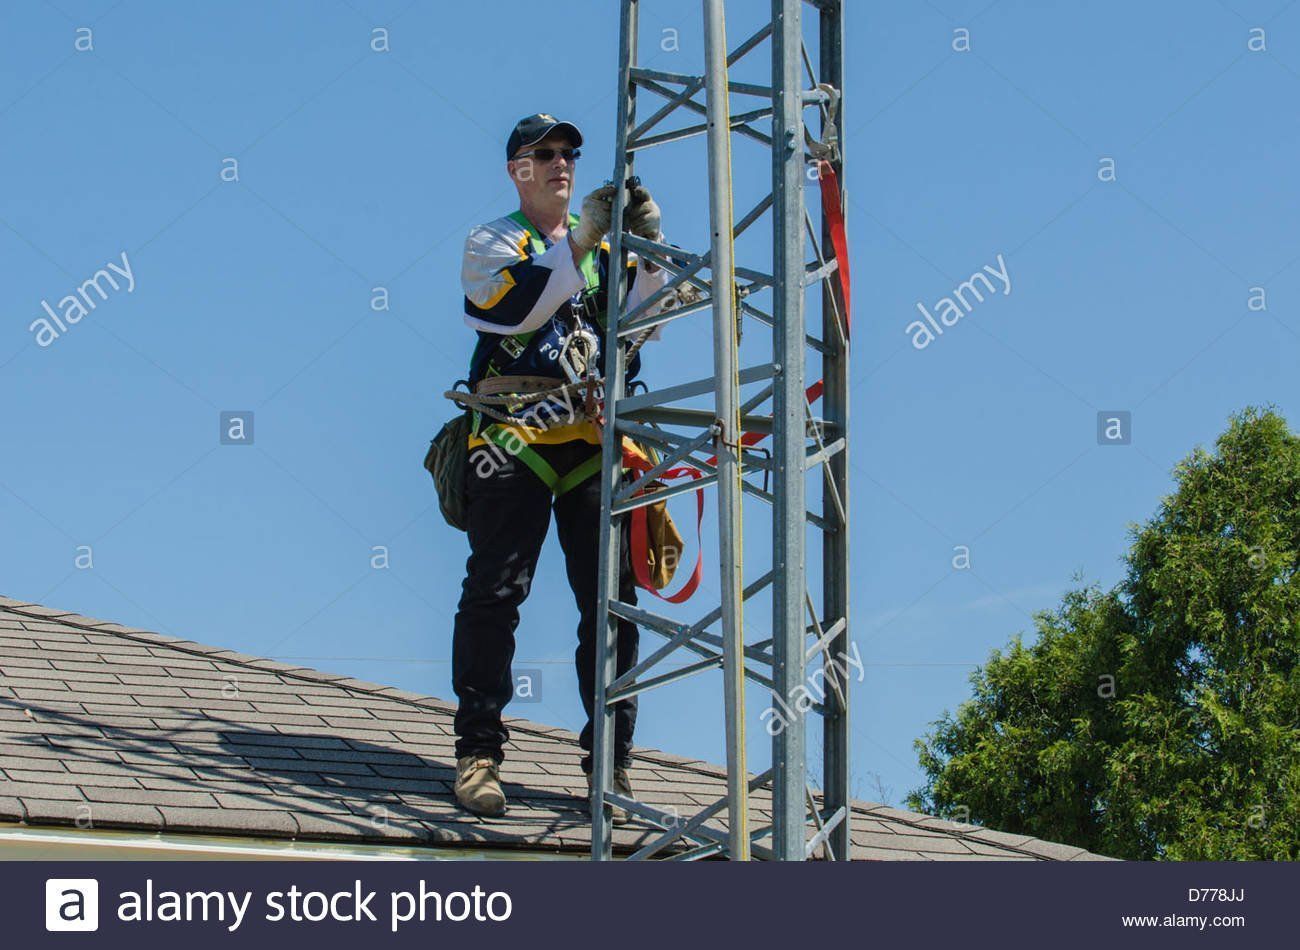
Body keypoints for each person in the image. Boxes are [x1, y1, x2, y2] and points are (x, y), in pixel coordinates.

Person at [450, 113, 668, 819]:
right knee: (496, 592)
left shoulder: (603, 252)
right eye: (543, 154)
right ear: (517, 168)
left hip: (588, 437)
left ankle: (611, 762)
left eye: (569, 153)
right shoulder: (495, 241)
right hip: (515, 433)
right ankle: (479, 754)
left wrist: (650, 243)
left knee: (611, 602)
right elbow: (512, 308)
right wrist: (583, 238)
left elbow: (649, 321)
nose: (560, 163)